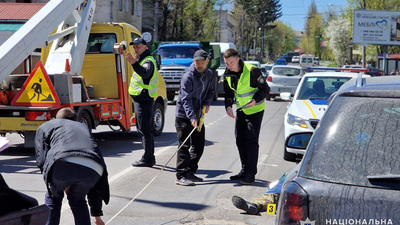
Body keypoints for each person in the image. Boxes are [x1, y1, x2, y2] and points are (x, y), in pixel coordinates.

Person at [35, 108, 110, 225]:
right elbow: (96, 184)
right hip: (94, 168)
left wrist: (53, 180)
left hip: (62, 164)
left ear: (56, 119)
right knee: (78, 200)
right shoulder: (83, 127)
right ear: (76, 120)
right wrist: (96, 215)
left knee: (53, 197)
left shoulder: (46, 126)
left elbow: (41, 159)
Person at [223, 49, 269, 185]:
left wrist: (255, 100)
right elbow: (228, 92)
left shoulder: (252, 71)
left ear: (237, 60)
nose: (229, 66)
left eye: (231, 62)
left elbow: (265, 89)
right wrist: (228, 106)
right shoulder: (228, 74)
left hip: (255, 110)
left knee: (251, 141)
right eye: (226, 63)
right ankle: (244, 170)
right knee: (240, 140)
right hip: (241, 110)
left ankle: (251, 174)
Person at [175, 50, 215, 186]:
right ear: (194, 61)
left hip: (199, 115)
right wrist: (192, 117)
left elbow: (211, 91)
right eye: (197, 62)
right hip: (184, 116)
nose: (199, 65)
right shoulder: (188, 77)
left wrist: (206, 104)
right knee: (184, 146)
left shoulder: (209, 74)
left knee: (198, 146)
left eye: (202, 62)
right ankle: (180, 175)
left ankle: (190, 171)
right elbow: (185, 100)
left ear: (207, 62)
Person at [126, 37, 159, 167]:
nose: (135, 49)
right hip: (141, 99)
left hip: (144, 99)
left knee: (145, 130)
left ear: (145, 47)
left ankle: (148, 158)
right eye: (134, 47)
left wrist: (134, 63)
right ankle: (149, 157)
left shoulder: (148, 61)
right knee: (143, 129)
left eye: (138, 46)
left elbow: (145, 74)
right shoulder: (142, 59)